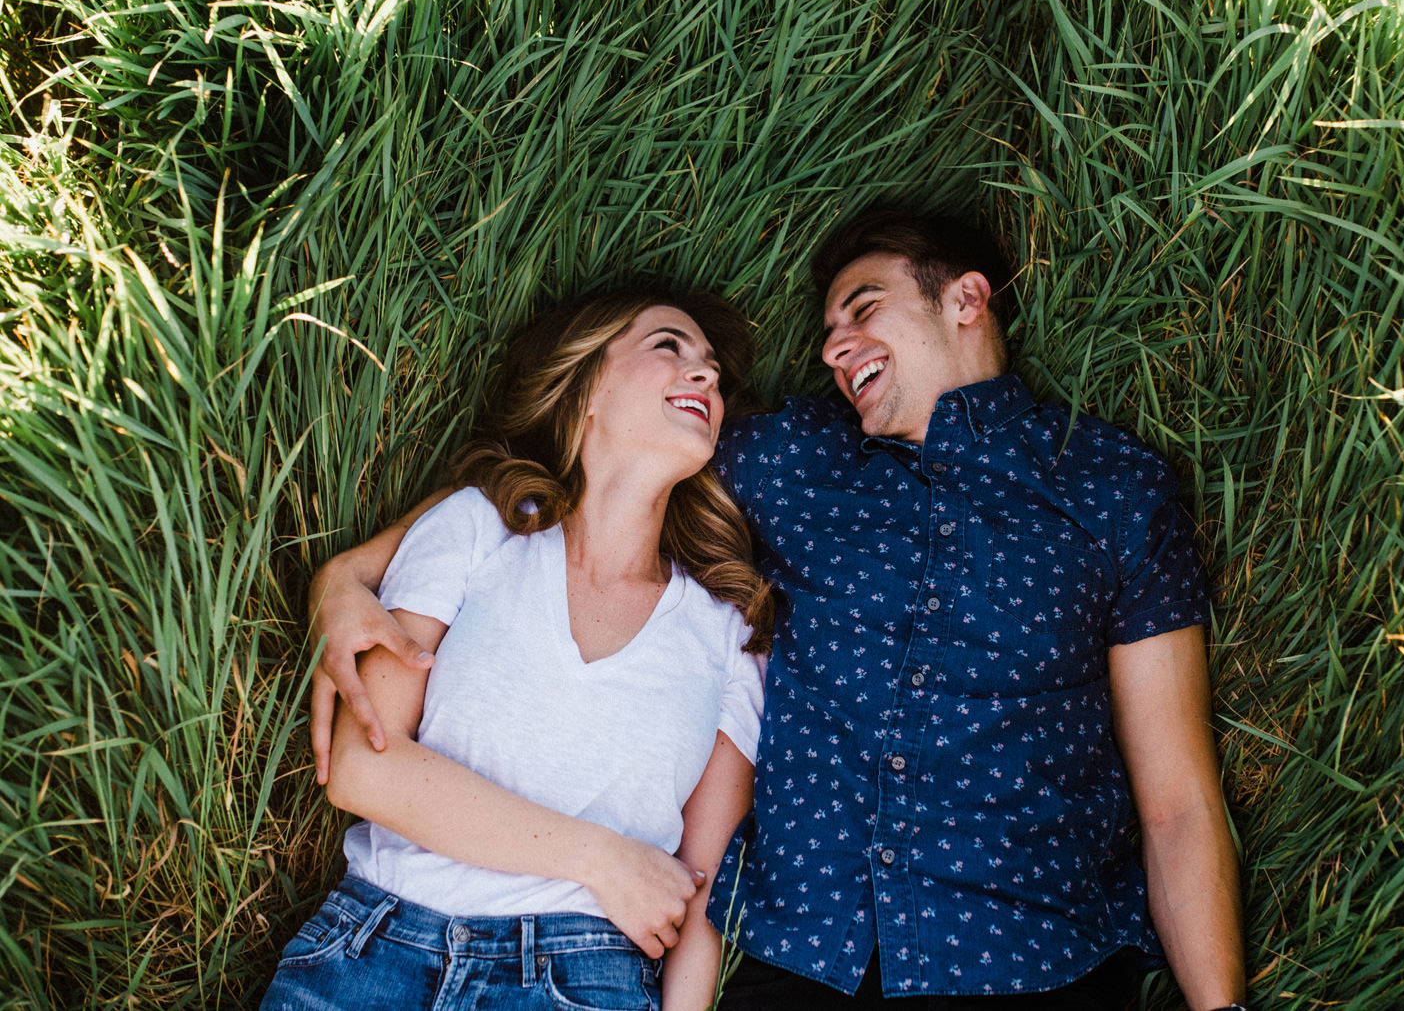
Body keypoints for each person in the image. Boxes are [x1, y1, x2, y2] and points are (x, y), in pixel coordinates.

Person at [306, 209, 1248, 1009]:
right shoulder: (794, 460)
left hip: (1035, 959)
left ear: (966, 299)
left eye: (863, 308)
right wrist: (347, 577)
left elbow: (1175, 803)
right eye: (828, 330)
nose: (835, 347)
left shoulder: (1112, 489)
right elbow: (589, 476)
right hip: (811, 967)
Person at [264, 288, 774, 1011]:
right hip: (375, 950)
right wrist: (598, 858)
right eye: (670, 347)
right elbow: (361, 768)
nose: (706, 377)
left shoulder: (728, 627)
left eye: (714, 371)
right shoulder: (477, 527)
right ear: (587, 385)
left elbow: (701, 886)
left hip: (581, 979)